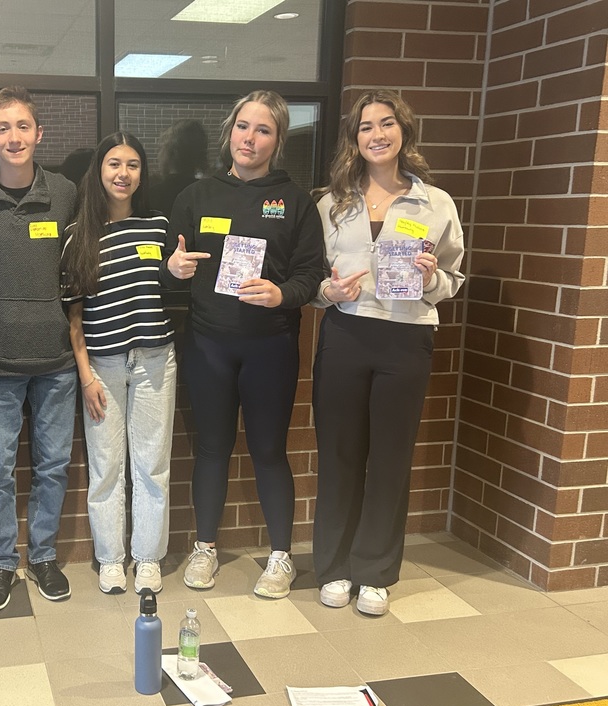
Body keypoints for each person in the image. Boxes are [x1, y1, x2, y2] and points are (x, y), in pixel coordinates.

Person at [162, 90, 325, 598]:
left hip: (270, 348)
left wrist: (281, 293)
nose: (249, 138)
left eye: (263, 130)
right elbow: (170, 270)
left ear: (277, 141)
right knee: (210, 450)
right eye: (242, 127)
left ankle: (281, 556)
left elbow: (310, 276)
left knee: (269, 451)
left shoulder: (296, 202)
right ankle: (205, 547)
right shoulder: (195, 197)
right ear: (228, 132)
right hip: (209, 345)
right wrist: (174, 269)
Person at [311, 90, 465, 616]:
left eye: (386, 124)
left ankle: (374, 571)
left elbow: (453, 278)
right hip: (346, 334)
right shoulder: (332, 202)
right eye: (365, 127)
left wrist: (433, 278)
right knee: (339, 454)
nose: (376, 134)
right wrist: (327, 294)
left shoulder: (435, 202)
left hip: (406, 337)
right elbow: (313, 278)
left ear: (404, 132)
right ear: (354, 139)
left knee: (391, 458)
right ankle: (332, 567)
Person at [0, 86, 78, 611]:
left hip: (56, 358)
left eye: (23, 126)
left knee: (53, 465)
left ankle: (44, 556)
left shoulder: (67, 193)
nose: (14, 137)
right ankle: (3, 562)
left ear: (38, 134)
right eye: (2, 129)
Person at [62, 132, 176, 596]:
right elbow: (74, 320)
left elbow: (173, 284)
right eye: (113, 163)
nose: (123, 173)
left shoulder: (159, 228)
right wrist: (85, 376)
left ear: (141, 174)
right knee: (106, 465)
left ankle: (147, 558)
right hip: (102, 367)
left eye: (132, 164)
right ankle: (111, 558)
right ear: (99, 171)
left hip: (155, 360)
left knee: (152, 464)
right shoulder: (77, 236)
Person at [148, 119, 209, 216]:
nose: (158, 155)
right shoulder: (208, 194)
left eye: (161, 148)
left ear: (172, 153)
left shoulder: (151, 196)